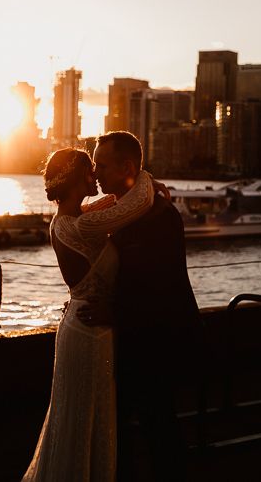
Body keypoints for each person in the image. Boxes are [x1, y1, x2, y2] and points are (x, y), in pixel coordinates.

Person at [22, 147, 164, 482]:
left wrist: (147, 182)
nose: (96, 176)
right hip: (90, 331)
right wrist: (146, 178)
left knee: (80, 418)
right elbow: (138, 202)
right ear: (76, 179)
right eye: (91, 170)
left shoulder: (69, 220)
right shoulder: (83, 227)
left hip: (82, 325)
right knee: (86, 418)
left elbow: (115, 203)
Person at [78, 131, 202, 482]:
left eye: (101, 165)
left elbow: (161, 286)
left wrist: (112, 313)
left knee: (156, 421)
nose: (95, 173)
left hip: (157, 338)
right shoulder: (121, 209)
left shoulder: (159, 216)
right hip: (133, 336)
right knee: (128, 422)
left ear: (126, 166)